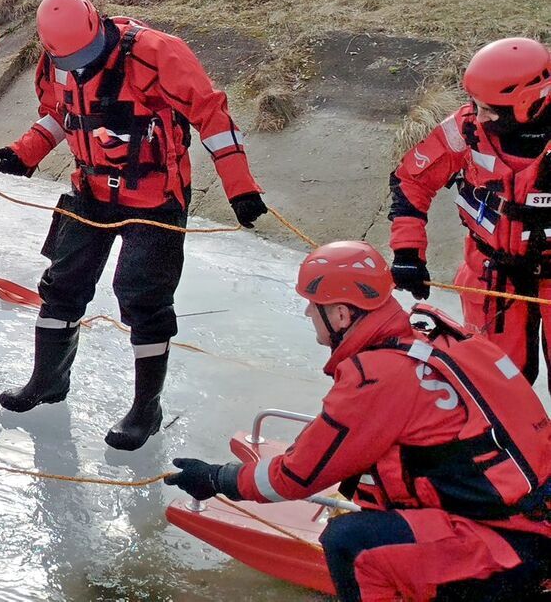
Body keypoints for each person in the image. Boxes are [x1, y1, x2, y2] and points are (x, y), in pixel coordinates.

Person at [166, 240, 551, 601]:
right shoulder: (434, 337)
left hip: (509, 545)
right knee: (371, 481)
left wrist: (217, 479)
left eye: (311, 304)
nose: (305, 313)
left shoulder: (376, 377)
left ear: (340, 313)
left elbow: (295, 477)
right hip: (530, 519)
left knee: (349, 543)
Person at [0, 0, 266, 451]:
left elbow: (212, 117)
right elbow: (62, 114)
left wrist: (240, 188)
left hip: (156, 197)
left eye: (86, 55)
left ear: (98, 27)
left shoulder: (158, 53)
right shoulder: (56, 63)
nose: (80, 65)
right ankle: (48, 381)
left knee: (143, 298)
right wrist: (26, 152)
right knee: (61, 286)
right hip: (90, 191)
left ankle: (146, 408)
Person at [389, 37, 551, 392]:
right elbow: (411, 181)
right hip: (491, 274)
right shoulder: (465, 129)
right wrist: (407, 252)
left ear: (527, 103)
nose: (478, 116)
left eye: (490, 109)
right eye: (475, 105)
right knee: (493, 387)